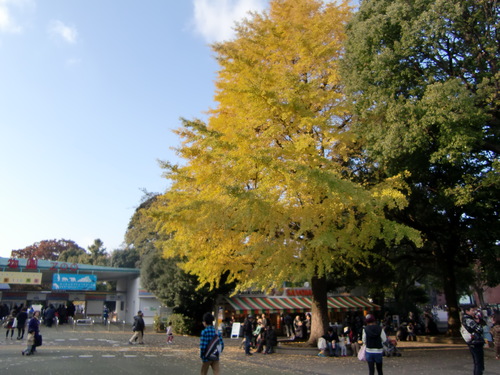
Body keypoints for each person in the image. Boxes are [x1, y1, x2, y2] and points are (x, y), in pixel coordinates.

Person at [462, 306, 485, 375]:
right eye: (472, 310)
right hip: (475, 342)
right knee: (478, 362)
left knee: (477, 361)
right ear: (467, 311)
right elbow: (479, 329)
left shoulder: (466, 319)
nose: (474, 312)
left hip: (473, 342)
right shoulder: (469, 320)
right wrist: (478, 322)